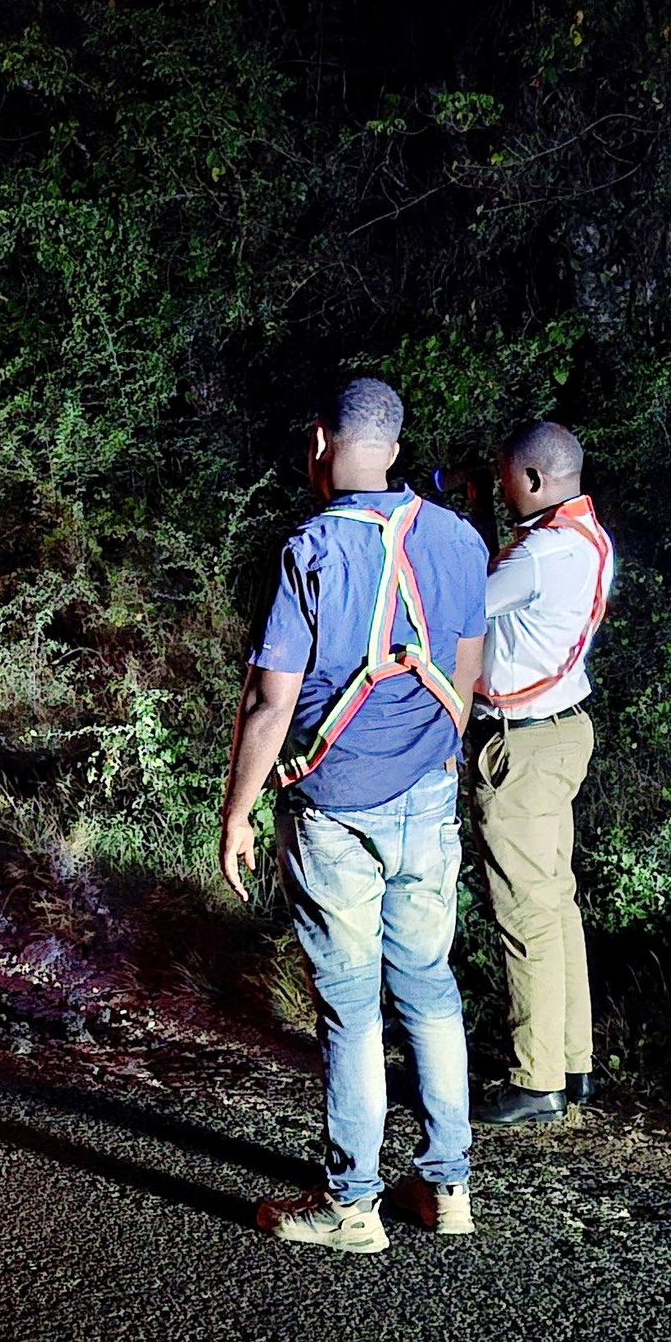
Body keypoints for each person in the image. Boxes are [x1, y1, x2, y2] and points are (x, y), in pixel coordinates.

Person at [219, 378, 488, 1254]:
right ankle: (448, 1186)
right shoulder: (457, 537)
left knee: (351, 1006)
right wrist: (437, 758)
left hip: (336, 808)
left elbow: (269, 703)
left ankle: (352, 1205)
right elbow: (470, 669)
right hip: (430, 795)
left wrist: (238, 812)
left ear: (322, 439)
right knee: (430, 984)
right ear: (398, 448)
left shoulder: (312, 549)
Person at [469, 422, 616, 1126]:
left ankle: (536, 1080)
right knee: (556, 904)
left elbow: (461, 606)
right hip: (564, 731)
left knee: (526, 914)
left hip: (522, 746)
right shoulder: (588, 539)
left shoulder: (540, 554)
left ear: (531, 480)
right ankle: (573, 1063)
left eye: (504, 478)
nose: (501, 489)